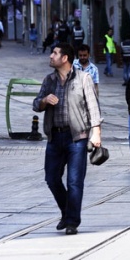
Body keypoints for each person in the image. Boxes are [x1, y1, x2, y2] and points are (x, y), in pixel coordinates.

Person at [32, 42, 103, 235]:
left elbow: (93, 107)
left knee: (74, 181)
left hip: (77, 138)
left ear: (65, 58)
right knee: (52, 178)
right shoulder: (49, 80)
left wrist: (96, 131)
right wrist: (45, 101)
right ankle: (66, 211)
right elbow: (36, 104)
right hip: (55, 137)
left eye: (54, 53)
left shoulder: (83, 79)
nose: (50, 56)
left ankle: (72, 221)